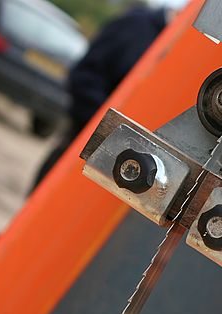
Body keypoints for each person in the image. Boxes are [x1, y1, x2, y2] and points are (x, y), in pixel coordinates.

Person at [31, 1, 184, 190]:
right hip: (79, 154)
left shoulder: (187, 56)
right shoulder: (137, 26)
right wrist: (110, 131)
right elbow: (84, 76)